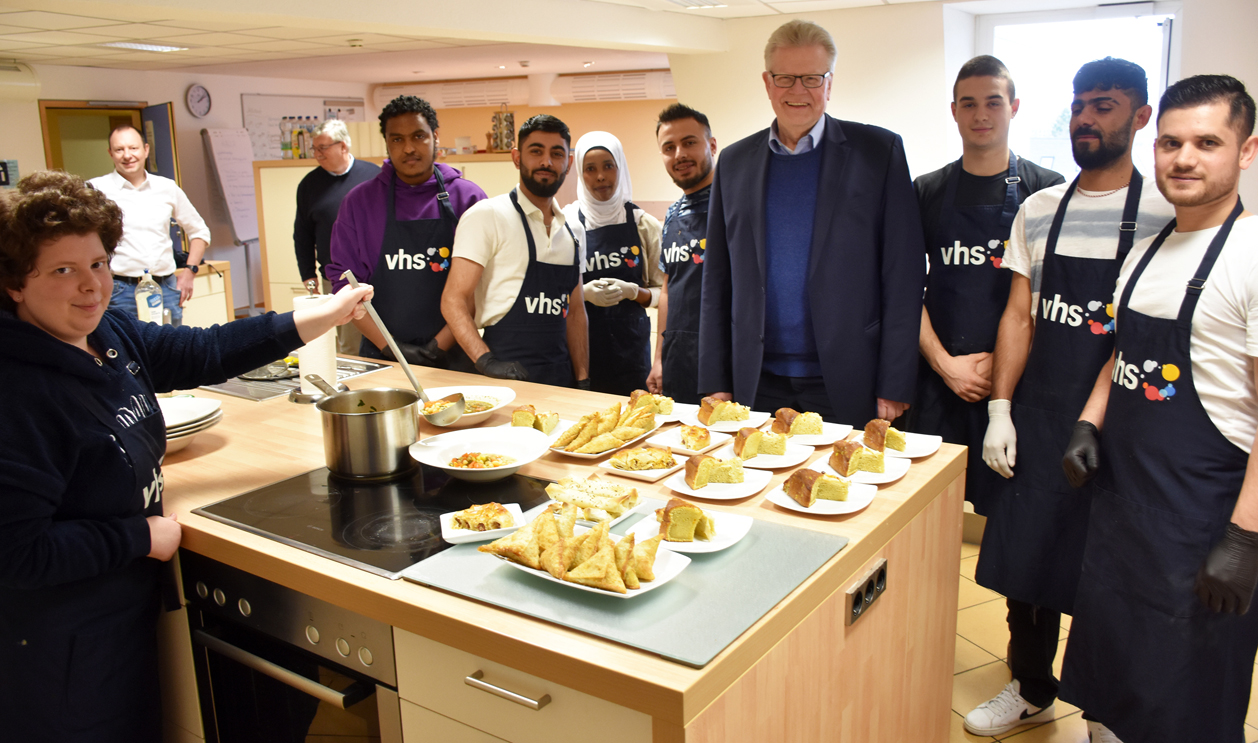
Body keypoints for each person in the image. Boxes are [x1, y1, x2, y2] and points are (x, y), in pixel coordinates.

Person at [0, 170, 372, 743]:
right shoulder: (17, 392)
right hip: (60, 638)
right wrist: (138, 538)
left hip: (120, 608)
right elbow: (17, 553)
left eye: (98, 264)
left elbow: (204, 350)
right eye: (62, 270)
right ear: (15, 284)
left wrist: (321, 316)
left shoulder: (107, 334)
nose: (91, 287)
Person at [966, 57, 1175, 738]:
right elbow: (1018, 317)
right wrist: (1001, 408)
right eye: (1081, 104)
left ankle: (1108, 709)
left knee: (1112, 572)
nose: (1088, 117)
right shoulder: (1040, 207)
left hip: (1127, 424)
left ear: (1140, 116)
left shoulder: (1166, 213)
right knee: (1029, 564)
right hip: (1040, 413)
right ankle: (1030, 685)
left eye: (1106, 105)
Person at [1059, 75, 1258, 743]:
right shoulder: (1147, 252)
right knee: (1110, 687)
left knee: (1183, 704)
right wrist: (1091, 419)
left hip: (1204, 525)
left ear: (1247, 150)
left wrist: (1245, 537)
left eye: (1208, 142)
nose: (1184, 158)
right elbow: (1124, 353)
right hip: (1122, 516)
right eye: (1171, 142)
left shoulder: (1252, 256)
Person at [697, 19, 924, 423]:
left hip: (849, 378)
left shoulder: (878, 152)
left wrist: (895, 382)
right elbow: (717, 278)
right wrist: (715, 379)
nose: (798, 91)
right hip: (756, 379)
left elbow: (903, 276)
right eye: (785, 78)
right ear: (767, 83)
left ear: (830, 84)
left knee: (847, 486)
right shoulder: (733, 163)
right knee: (759, 485)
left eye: (812, 78)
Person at [911, 56, 1065, 519]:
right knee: (929, 509)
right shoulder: (927, 190)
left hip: (1014, 384)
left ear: (1014, 107)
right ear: (953, 111)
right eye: (969, 103)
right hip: (939, 380)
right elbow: (901, 291)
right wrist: (944, 364)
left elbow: (1048, 299)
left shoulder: (1046, 191)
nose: (981, 115)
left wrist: (1002, 364)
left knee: (1012, 511)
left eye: (993, 102)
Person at [329, 95, 486, 366]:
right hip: (382, 357)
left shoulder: (468, 199)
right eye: (397, 139)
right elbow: (346, 285)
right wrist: (390, 348)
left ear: (435, 137)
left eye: (418, 136)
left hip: (456, 354)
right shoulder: (359, 203)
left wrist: (440, 344)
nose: (409, 148)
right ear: (387, 143)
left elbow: (480, 285)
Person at [441, 114, 590, 388]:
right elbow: (453, 299)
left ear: (568, 163)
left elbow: (577, 312)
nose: (546, 161)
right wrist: (485, 361)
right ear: (517, 157)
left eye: (556, 154)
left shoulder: (573, 229)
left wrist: (583, 378)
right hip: (501, 378)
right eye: (536, 151)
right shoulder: (487, 216)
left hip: (560, 380)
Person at [562, 131, 663, 395]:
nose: (600, 176)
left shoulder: (644, 225)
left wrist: (634, 292)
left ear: (620, 167)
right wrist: (581, 295)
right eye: (590, 169)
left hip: (632, 352)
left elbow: (664, 292)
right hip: (581, 352)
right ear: (580, 174)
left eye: (608, 166)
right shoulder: (565, 224)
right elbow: (551, 293)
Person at [89, 124, 211, 326]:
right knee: (127, 352)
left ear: (145, 150)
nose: (127, 155)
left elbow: (199, 231)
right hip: (120, 290)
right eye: (120, 150)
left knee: (171, 351)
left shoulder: (166, 187)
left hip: (166, 288)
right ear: (111, 154)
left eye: (133, 148)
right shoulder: (97, 189)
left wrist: (190, 272)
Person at [646, 103, 719, 404]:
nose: (680, 155)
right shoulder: (673, 214)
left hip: (722, 360)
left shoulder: (733, 206)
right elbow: (667, 289)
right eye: (669, 147)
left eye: (689, 143)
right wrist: (659, 359)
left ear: (711, 145)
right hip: (679, 358)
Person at [293, 118, 379, 354]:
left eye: (323, 148)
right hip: (338, 276)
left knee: (385, 336)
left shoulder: (373, 176)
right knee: (349, 343)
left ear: (343, 146)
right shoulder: (309, 185)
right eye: (315, 149)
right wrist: (308, 274)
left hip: (379, 272)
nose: (318, 154)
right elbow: (302, 234)